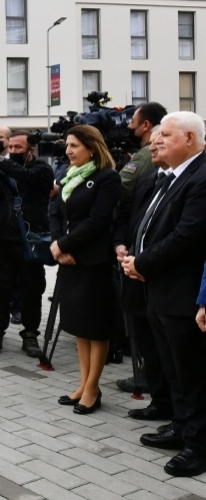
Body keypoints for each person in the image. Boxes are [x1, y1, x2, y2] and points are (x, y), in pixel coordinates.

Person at [122, 112, 206, 477]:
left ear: (189, 138)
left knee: (192, 372)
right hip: (160, 289)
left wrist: (143, 263)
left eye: (166, 136)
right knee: (173, 367)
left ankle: (199, 445)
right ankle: (182, 426)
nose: (157, 142)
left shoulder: (201, 176)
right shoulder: (171, 176)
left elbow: (188, 236)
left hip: (182, 290)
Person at [50, 125, 122, 415]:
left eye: (74, 146)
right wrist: (58, 245)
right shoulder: (68, 177)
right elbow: (54, 211)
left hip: (93, 260)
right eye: (67, 145)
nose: (68, 151)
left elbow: (98, 221)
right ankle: (83, 383)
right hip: (69, 260)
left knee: (96, 326)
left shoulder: (107, 178)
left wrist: (64, 244)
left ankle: (93, 387)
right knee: (79, 324)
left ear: (92, 148)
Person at [0, 131, 54, 356]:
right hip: (3, 239)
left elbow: (27, 178)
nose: (12, 152)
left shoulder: (42, 169)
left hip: (31, 241)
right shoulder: (3, 168)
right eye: (10, 147)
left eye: (18, 148)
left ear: (31, 149)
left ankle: (30, 334)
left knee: (32, 289)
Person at [113, 127, 173, 419]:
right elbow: (127, 216)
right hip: (134, 274)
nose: (152, 148)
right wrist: (121, 243)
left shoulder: (187, 182)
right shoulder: (149, 179)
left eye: (160, 143)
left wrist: (144, 262)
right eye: (151, 145)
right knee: (147, 343)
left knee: (169, 351)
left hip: (160, 276)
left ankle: (176, 412)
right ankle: (160, 402)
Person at [121, 102, 167, 202]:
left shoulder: (145, 154)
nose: (129, 126)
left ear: (145, 125)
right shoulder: (161, 150)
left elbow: (121, 188)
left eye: (132, 121)